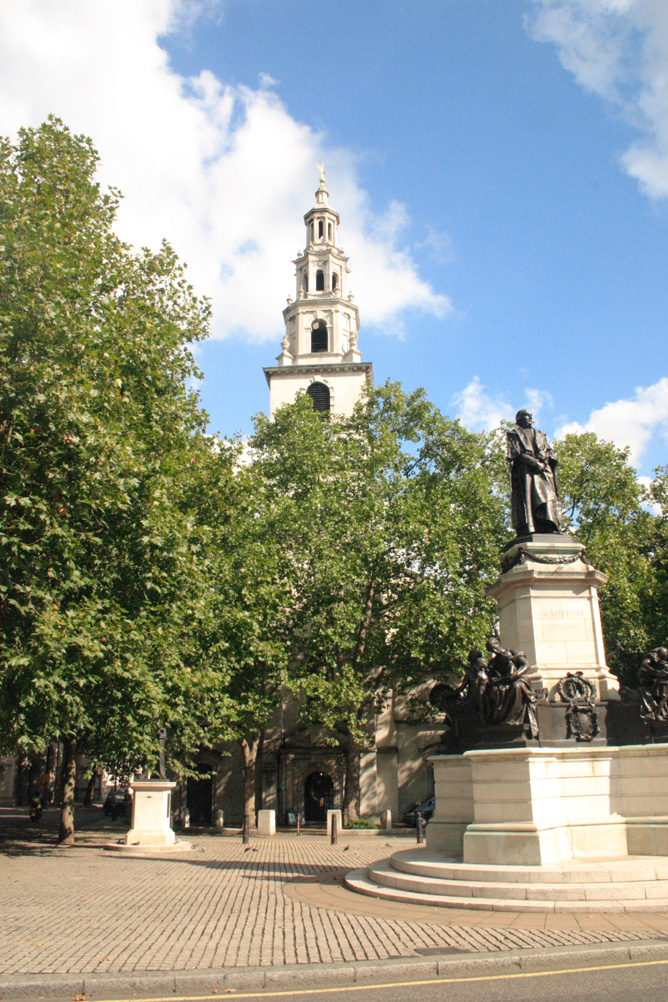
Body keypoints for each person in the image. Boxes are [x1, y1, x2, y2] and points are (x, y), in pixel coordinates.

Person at [507, 409, 564, 536]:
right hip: (526, 471)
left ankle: (550, 524)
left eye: (531, 416)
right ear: (519, 419)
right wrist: (534, 462)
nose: (530, 419)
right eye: (527, 416)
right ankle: (531, 527)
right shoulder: (514, 434)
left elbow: (549, 451)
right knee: (530, 500)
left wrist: (544, 461)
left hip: (544, 470)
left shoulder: (540, 434)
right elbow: (515, 453)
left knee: (549, 497)